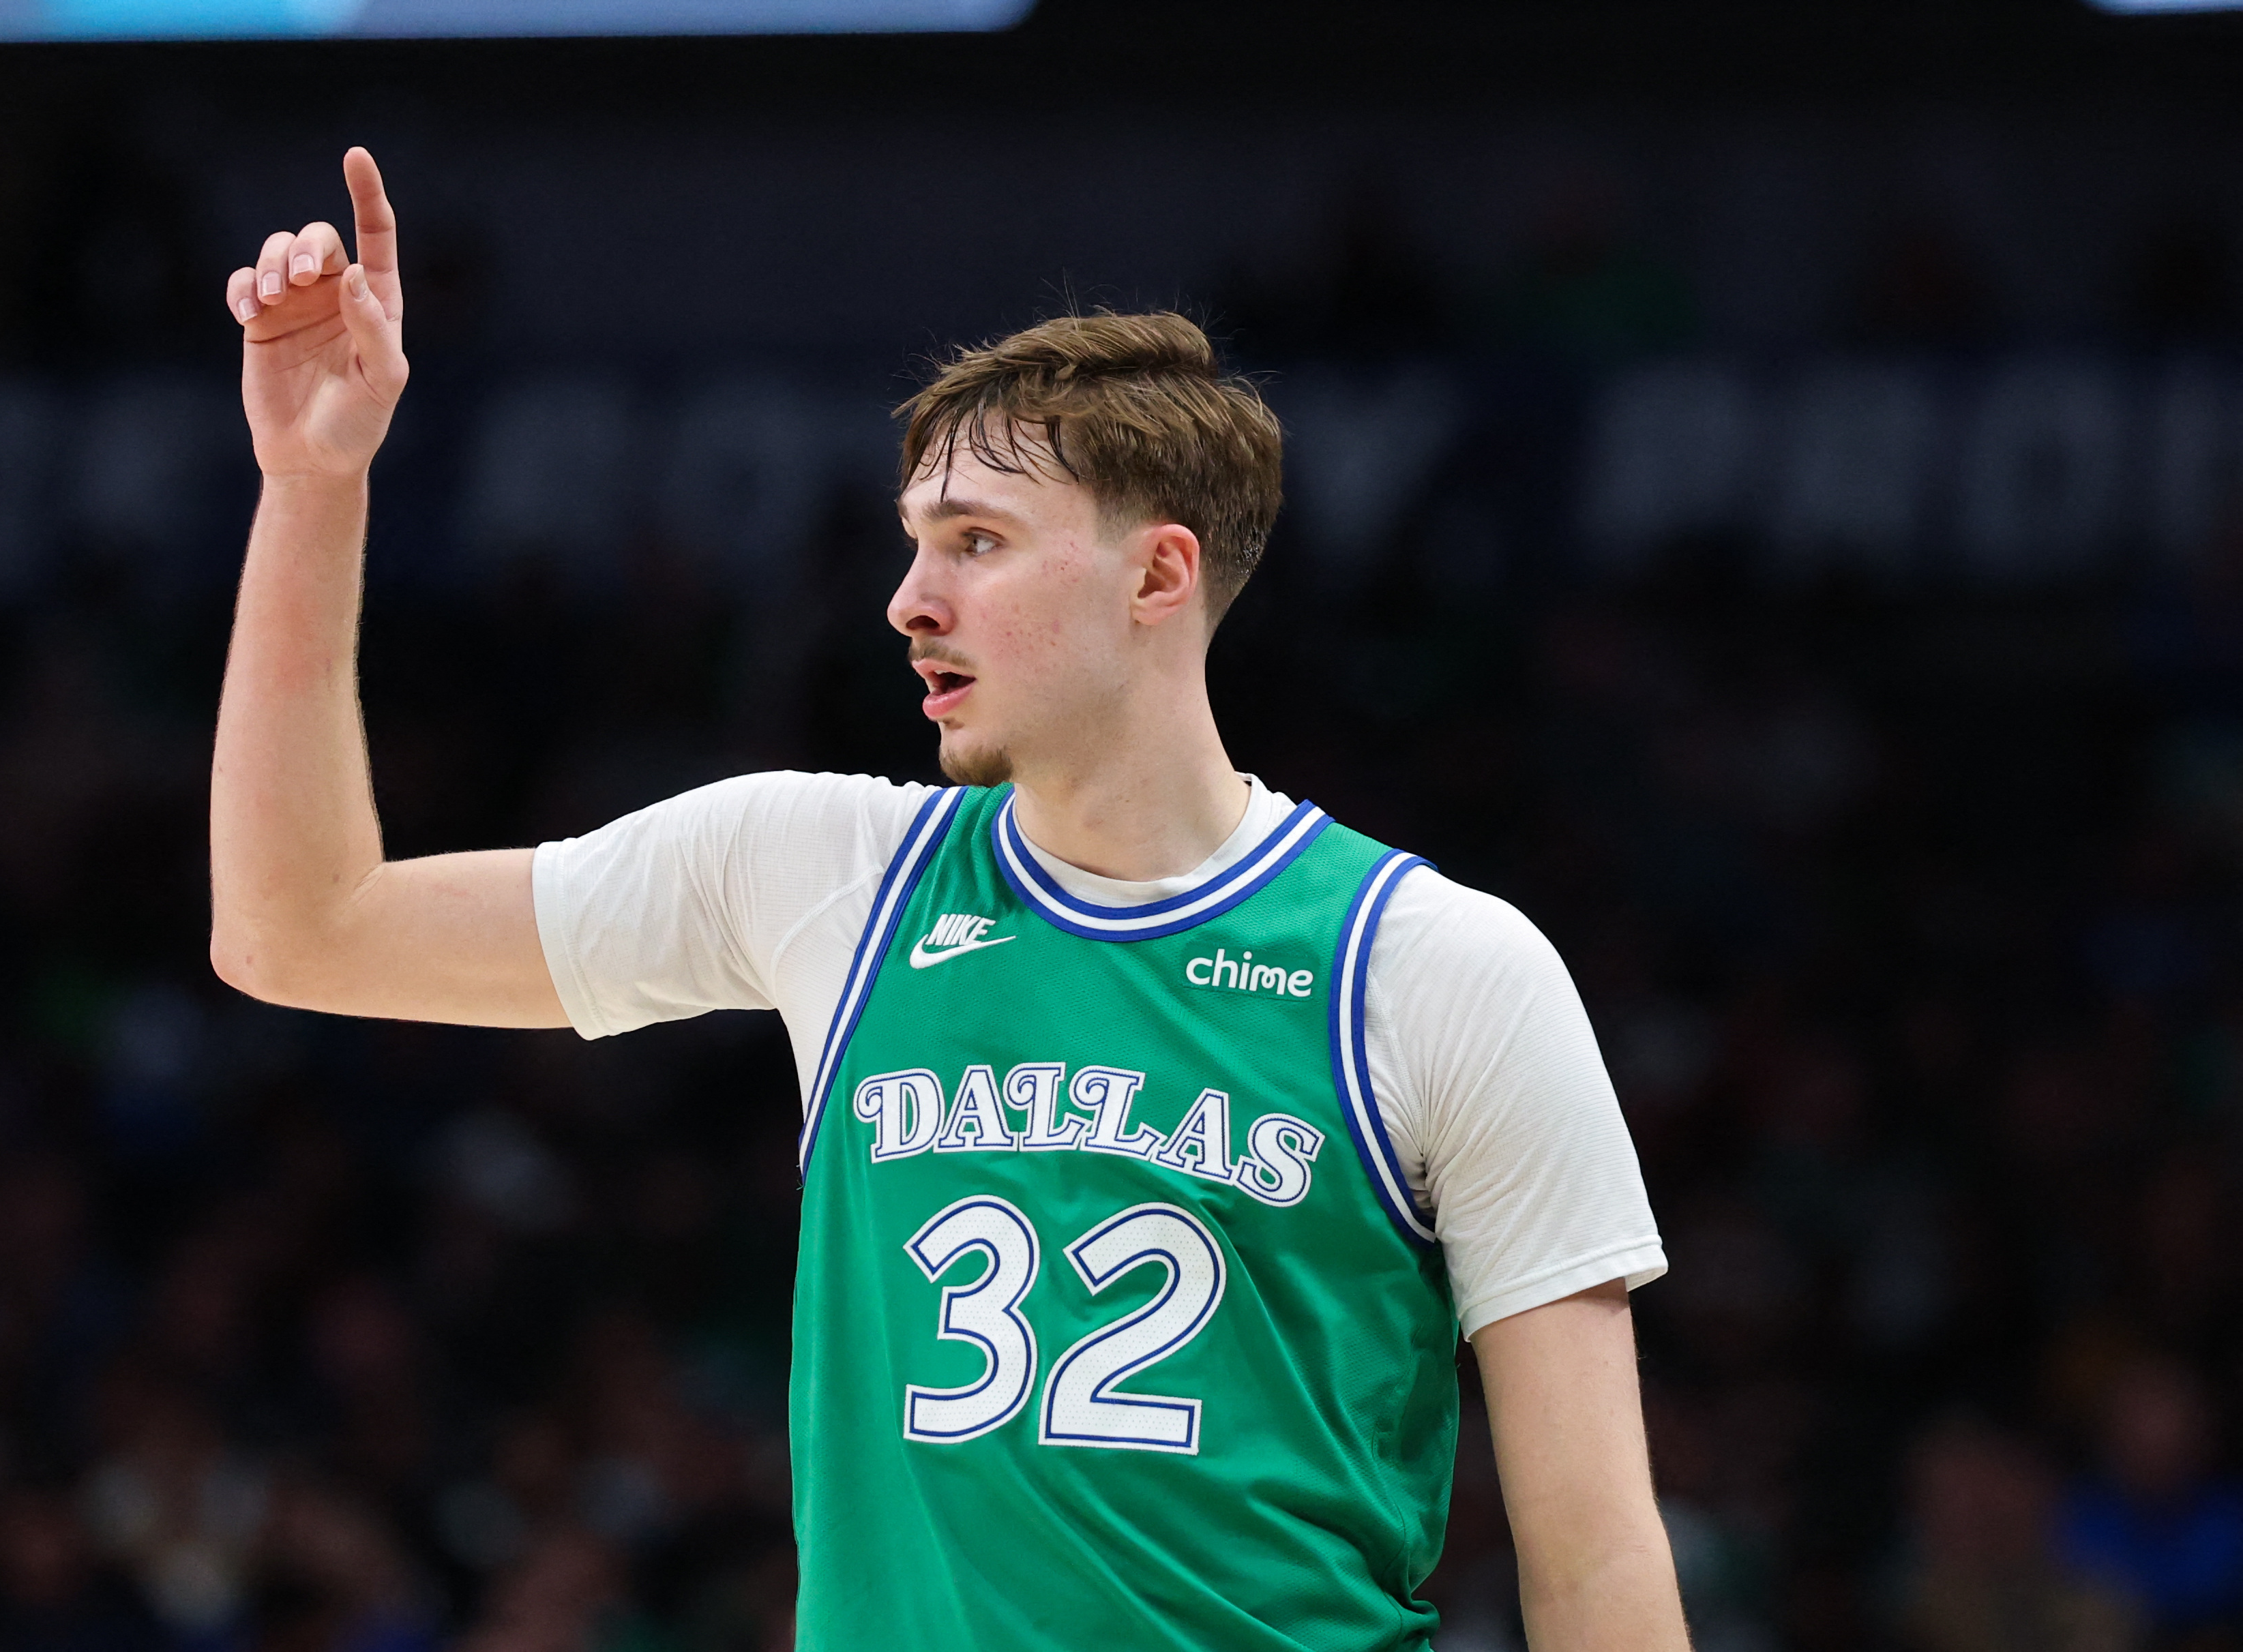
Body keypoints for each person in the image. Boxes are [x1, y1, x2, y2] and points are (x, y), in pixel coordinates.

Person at [208, 147, 1687, 1651]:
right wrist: (313, 485)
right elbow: (293, 930)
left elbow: (1592, 1565)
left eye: (974, 544)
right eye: (914, 545)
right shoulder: (825, 875)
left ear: (1156, 576)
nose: (910, 600)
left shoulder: (1433, 967)